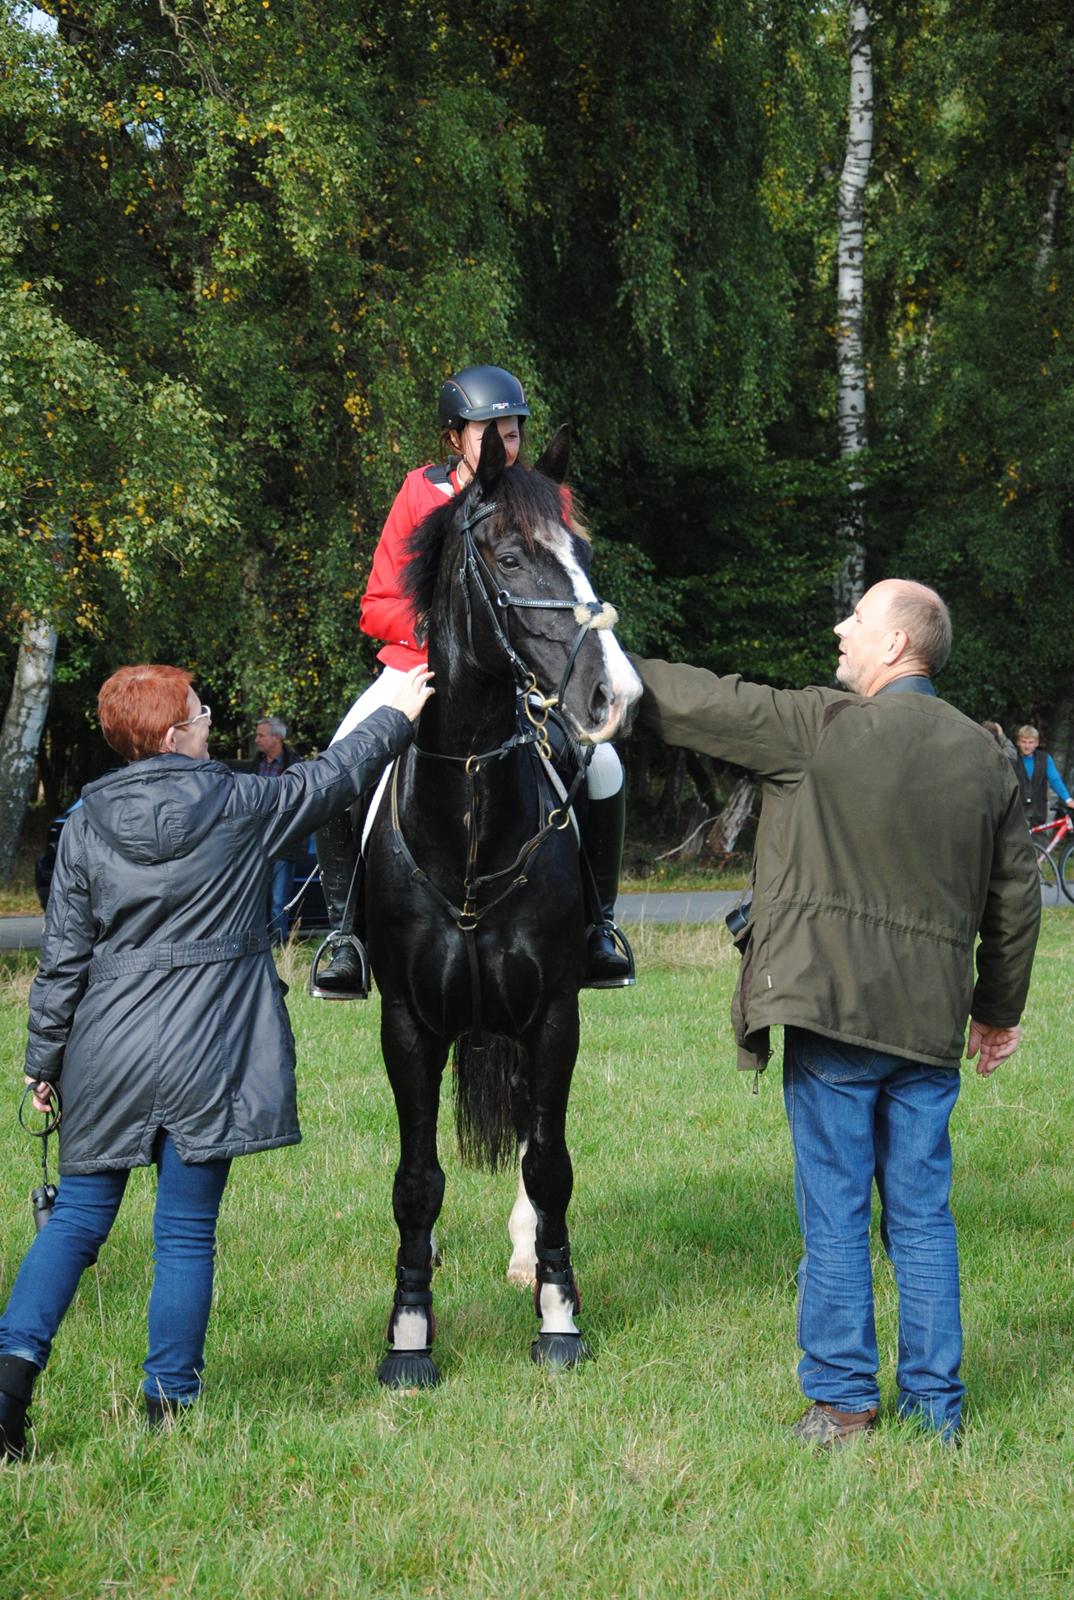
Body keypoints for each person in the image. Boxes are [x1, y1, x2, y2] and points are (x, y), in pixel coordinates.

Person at [631, 579, 1040, 1446]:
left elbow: (697, 701)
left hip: (833, 1015)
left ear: (895, 646)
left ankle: (845, 1405)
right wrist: (997, 1010)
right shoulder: (986, 757)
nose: (838, 630)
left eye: (855, 620)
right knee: (923, 1215)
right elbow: (1016, 900)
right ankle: (936, 1412)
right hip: (929, 1029)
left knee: (836, 1210)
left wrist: (584, 647)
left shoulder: (818, 729)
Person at [0, 661, 433, 1458]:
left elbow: (63, 958)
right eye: (199, 715)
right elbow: (335, 777)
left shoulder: (85, 822)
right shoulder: (239, 802)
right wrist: (396, 712)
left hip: (106, 1047)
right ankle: (169, 1411)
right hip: (212, 1047)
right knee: (185, 1233)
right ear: (172, 736)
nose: (209, 724)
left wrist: (43, 1060)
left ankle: (7, 1392)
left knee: (75, 1223)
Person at [313, 363, 634, 999]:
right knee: (338, 760)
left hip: (523, 671)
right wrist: (451, 635)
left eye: (512, 435)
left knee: (604, 767)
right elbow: (377, 603)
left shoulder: (545, 496)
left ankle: (599, 925)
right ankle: (344, 936)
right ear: (456, 437)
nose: (504, 448)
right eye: (491, 434)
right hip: (422, 668)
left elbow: (561, 587)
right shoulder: (419, 492)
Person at [249, 716, 302, 943]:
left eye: (261, 735)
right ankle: (259, 946)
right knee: (256, 899)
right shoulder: (254, 766)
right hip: (258, 843)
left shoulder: (295, 766)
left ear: (277, 737)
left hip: (284, 842)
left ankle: (279, 950)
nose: (257, 739)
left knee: (279, 902)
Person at [1010, 724, 1074, 827]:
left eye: (1031, 742)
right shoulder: (1012, 759)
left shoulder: (1044, 759)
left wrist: (1068, 799)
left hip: (1037, 811)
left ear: (1037, 743)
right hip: (1015, 811)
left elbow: (1055, 780)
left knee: (1037, 842)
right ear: (1018, 742)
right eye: (1023, 742)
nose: (1027, 746)